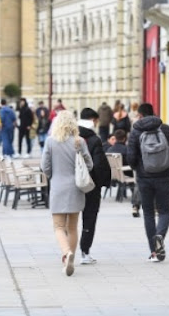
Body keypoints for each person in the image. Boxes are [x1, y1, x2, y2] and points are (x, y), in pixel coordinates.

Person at [41, 110, 93, 276]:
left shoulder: (50, 141)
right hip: (76, 187)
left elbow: (45, 166)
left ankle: (66, 253)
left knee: (58, 226)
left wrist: (52, 176)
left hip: (58, 186)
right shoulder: (80, 141)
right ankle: (71, 256)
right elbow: (89, 165)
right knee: (72, 227)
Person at [127, 103, 169, 262]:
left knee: (148, 213)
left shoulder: (136, 131)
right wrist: (165, 166)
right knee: (164, 211)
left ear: (141, 115)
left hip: (144, 178)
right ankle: (160, 235)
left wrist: (139, 168)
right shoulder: (166, 130)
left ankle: (154, 251)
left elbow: (130, 157)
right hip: (163, 176)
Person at [78, 108, 111, 264]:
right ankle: (85, 251)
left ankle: (67, 250)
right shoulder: (94, 139)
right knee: (89, 217)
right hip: (90, 184)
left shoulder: (69, 137)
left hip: (71, 184)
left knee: (69, 219)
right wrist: (102, 183)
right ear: (92, 120)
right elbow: (99, 164)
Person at [108, 129, 138, 217]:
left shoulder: (110, 149)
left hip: (114, 174)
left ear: (115, 138)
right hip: (127, 173)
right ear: (125, 138)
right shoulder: (127, 150)